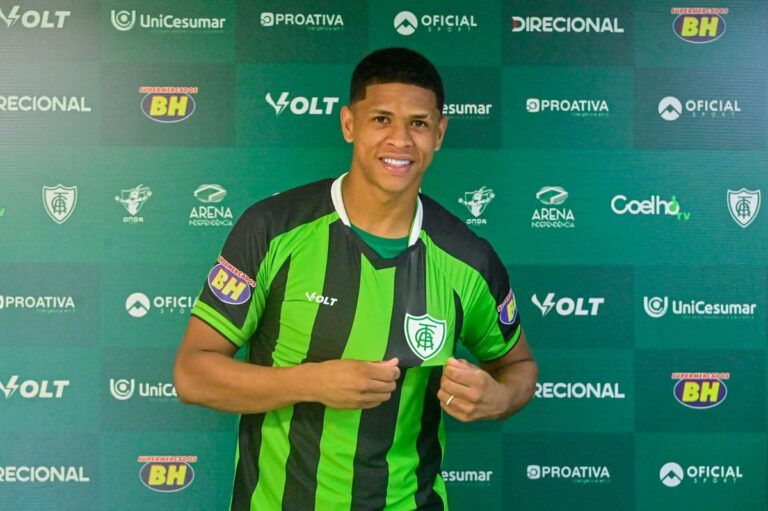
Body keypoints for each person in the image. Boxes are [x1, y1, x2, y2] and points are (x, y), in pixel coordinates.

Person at [174, 47, 537, 511]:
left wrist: (499, 397)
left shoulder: (468, 259)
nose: (400, 140)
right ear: (350, 124)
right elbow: (192, 374)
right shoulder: (272, 228)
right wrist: (311, 382)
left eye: (418, 123)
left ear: (439, 133)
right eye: (382, 119)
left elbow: (519, 366)